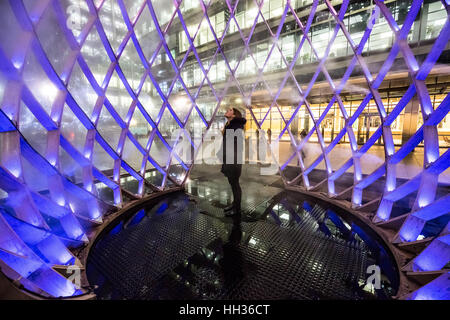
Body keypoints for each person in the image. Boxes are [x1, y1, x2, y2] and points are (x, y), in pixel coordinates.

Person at [219, 107, 247, 217]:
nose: (227, 110)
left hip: (233, 160)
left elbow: (236, 145)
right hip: (230, 159)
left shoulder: (236, 126)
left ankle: (237, 209)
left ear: (234, 115)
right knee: (232, 184)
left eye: (230, 110)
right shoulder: (230, 125)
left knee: (235, 185)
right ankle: (234, 204)